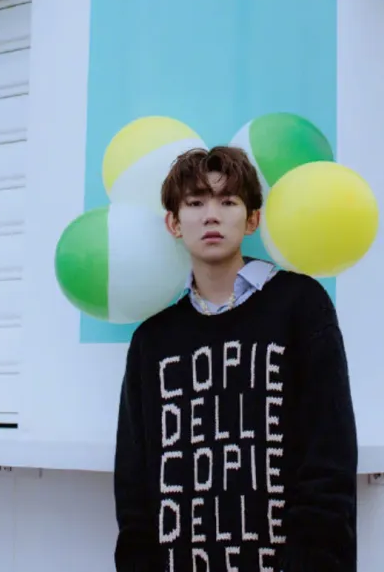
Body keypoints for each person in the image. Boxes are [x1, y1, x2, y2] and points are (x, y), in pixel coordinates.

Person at [114, 145, 358, 572]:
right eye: (195, 203)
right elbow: (134, 489)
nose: (211, 216)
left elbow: (329, 458)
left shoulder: (301, 306)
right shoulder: (151, 342)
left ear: (252, 220)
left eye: (228, 201)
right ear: (174, 223)